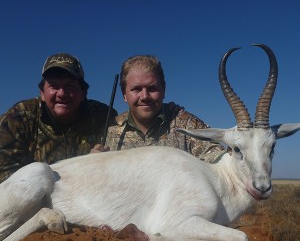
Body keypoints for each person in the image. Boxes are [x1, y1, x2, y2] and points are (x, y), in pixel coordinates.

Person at [0, 53, 117, 183]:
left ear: (83, 92)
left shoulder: (104, 115)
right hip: (34, 199)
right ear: (42, 93)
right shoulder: (17, 119)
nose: (61, 93)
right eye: (54, 86)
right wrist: (84, 166)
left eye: (70, 86)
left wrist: (105, 160)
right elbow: (4, 179)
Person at [104, 55, 225, 162]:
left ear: (164, 90)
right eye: (136, 89)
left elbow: (219, 163)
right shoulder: (108, 132)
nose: (145, 96)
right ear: (124, 94)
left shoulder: (188, 126)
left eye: (152, 88)